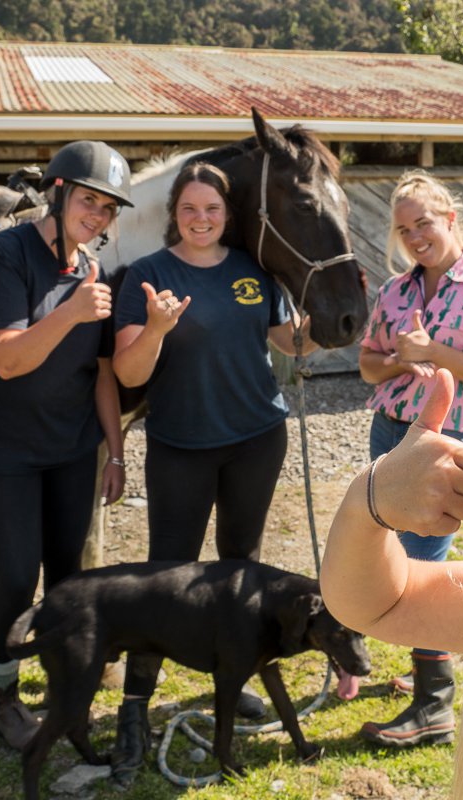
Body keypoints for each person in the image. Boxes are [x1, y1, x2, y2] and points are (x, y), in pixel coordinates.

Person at [112, 161, 318, 785]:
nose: (202, 220)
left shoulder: (252, 269)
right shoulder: (149, 275)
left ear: (229, 215)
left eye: (213, 210)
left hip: (257, 438)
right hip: (181, 445)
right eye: (190, 209)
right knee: (162, 576)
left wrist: (317, 315)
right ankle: (133, 709)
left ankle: (238, 677)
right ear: (173, 213)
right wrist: (155, 329)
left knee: (241, 568)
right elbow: (128, 374)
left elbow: (288, 342)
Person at [357, 169, 463, 747]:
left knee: (425, 556)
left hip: (449, 435)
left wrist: (436, 352)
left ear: (450, 218)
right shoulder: (396, 291)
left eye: (423, 222)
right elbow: (368, 364)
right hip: (389, 429)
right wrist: (401, 361)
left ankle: (435, 705)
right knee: (394, 548)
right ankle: (425, 662)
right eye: (404, 229)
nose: (415, 236)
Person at [320, 368, 463, 800]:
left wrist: (430, 352)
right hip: (399, 433)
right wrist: (370, 501)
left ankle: (431, 700)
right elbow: (385, 603)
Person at [0, 141, 132, 750]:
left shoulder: (92, 273)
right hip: (9, 453)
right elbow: (6, 360)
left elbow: (101, 373)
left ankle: (62, 686)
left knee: (69, 579)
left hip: (74, 452)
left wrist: (116, 450)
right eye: (88, 200)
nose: (98, 216)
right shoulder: (8, 254)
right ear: (56, 193)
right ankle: (1, 693)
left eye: (108, 208)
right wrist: (74, 311)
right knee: (12, 577)